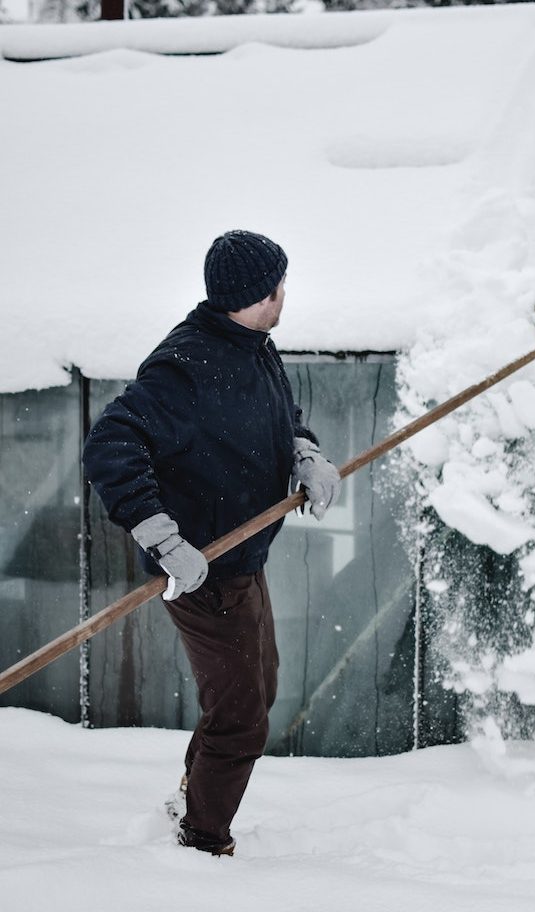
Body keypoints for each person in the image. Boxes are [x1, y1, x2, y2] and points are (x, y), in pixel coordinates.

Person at [83, 229, 341, 857]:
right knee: (241, 718)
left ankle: (191, 801)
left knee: (255, 690)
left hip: (244, 561)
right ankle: (201, 846)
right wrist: (162, 537)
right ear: (257, 293)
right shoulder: (186, 367)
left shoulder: (253, 345)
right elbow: (110, 446)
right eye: (278, 285)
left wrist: (303, 453)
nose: (285, 294)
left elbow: (278, 415)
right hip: (202, 572)